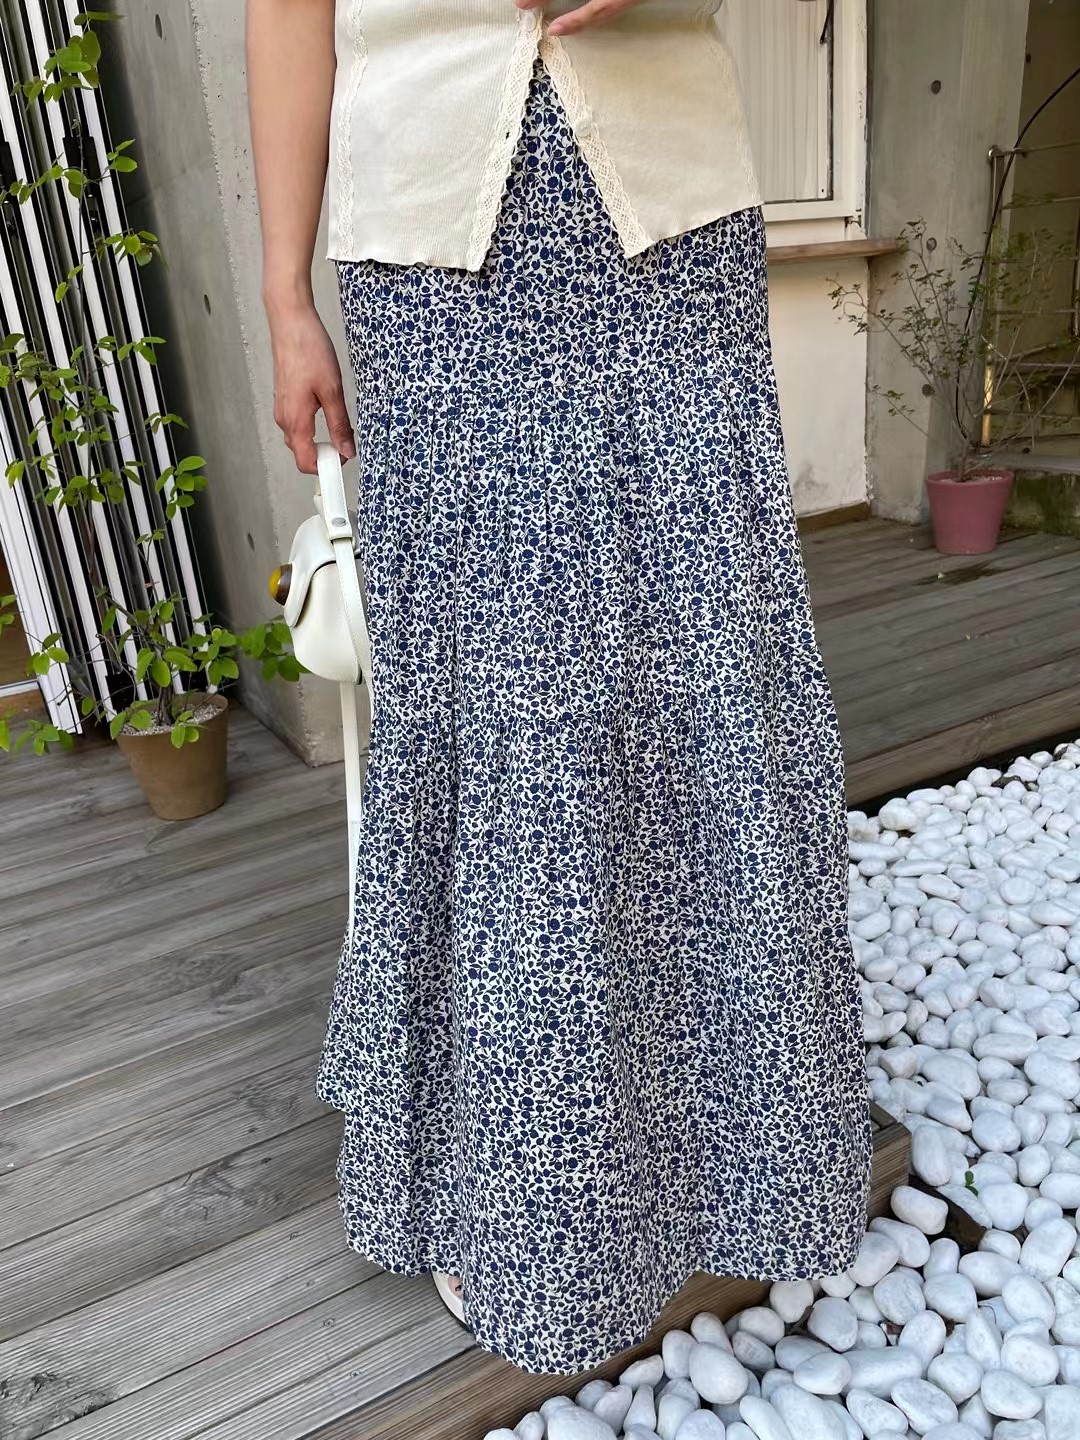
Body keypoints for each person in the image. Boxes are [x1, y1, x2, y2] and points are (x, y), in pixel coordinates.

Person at [246, 0, 872, 1378]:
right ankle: (516, 1188)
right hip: (430, 246)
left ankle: (727, 1146)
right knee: (506, 706)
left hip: (670, 216)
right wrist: (286, 299)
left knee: (705, 670)